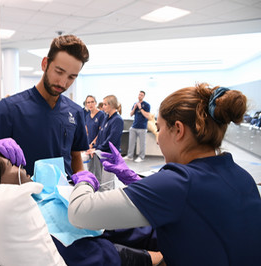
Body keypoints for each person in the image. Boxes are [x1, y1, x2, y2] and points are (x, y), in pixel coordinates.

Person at [68, 83, 261, 265]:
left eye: (159, 129)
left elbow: (79, 213)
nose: (158, 140)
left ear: (178, 130)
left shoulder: (180, 181)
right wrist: (132, 178)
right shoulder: (241, 176)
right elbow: (184, 205)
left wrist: (84, 178)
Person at [0, 148, 163, 266]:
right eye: (11, 164)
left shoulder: (38, 192)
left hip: (118, 228)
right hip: (111, 247)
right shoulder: (32, 221)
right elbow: (98, 255)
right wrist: (157, 257)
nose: (19, 164)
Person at [0, 35, 90, 177]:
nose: (63, 83)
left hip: (64, 195)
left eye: (71, 77)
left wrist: (83, 180)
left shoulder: (75, 112)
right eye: (59, 72)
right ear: (45, 64)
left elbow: (75, 157)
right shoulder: (11, 108)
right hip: (24, 193)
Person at [86, 95, 123, 191]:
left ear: (111, 105)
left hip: (110, 154)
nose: (103, 107)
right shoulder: (106, 117)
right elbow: (101, 135)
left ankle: (109, 204)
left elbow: (111, 140)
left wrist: (97, 148)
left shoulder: (117, 120)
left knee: (106, 185)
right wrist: (94, 146)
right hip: (102, 153)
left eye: (105, 104)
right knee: (102, 182)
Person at [126, 90, 151, 162]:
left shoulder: (147, 105)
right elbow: (131, 114)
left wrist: (140, 108)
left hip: (142, 127)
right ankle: (129, 156)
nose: (140, 96)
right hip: (134, 127)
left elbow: (147, 116)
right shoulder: (135, 104)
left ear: (144, 96)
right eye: (139, 95)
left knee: (142, 144)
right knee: (131, 142)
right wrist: (134, 108)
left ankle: (141, 157)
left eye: (141, 95)